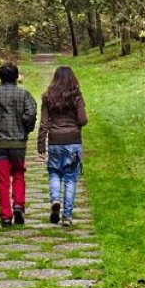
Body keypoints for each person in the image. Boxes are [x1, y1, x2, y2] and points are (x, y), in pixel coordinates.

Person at [0, 61, 37, 227]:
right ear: (16, 76)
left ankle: (5, 216)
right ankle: (18, 204)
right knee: (18, 173)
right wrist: (26, 128)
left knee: (2, 180)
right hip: (18, 143)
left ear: (0, 77)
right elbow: (31, 113)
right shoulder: (24, 94)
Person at [36, 66, 88, 226]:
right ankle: (67, 216)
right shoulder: (76, 95)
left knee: (54, 173)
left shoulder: (48, 96)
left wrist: (41, 146)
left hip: (55, 142)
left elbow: (44, 123)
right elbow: (83, 120)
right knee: (70, 179)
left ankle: (55, 200)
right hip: (73, 142)